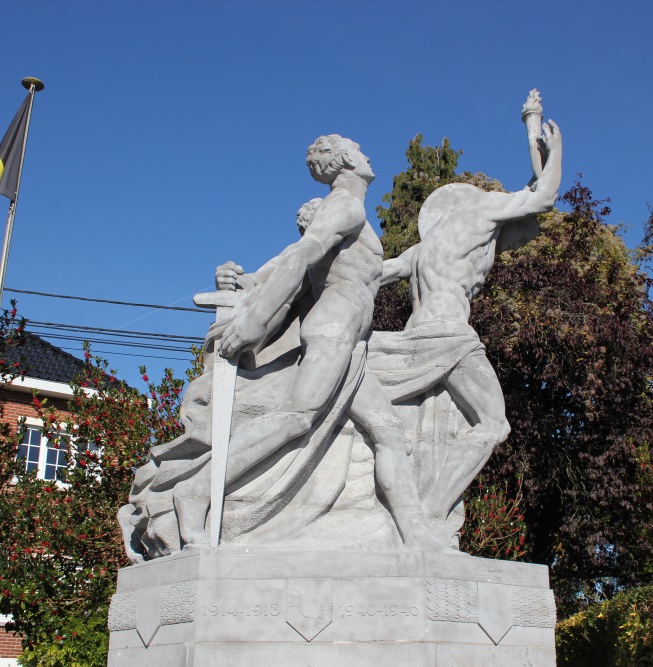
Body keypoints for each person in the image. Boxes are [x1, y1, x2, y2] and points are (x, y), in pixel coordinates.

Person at [206, 135, 445, 550]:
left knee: (388, 434)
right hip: (334, 333)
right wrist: (254, 318)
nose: (369, 154)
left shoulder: (355, 217)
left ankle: (417, 537)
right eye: (360, 148)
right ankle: (198, 488)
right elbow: (296, 259)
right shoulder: (345, 205)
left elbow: (373, 272)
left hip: (354, 343)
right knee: (296, 418)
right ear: (347, 158)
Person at [378, 116, 563, 531]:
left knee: (434, 428)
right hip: (450, 334)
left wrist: (530, 124)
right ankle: (432, 511)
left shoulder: (423, 249)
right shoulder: (479, 210)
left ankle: (421, 508)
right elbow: (542, 196)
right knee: (493, 423)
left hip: (416, 337)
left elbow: (371, 274)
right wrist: (556, 150)